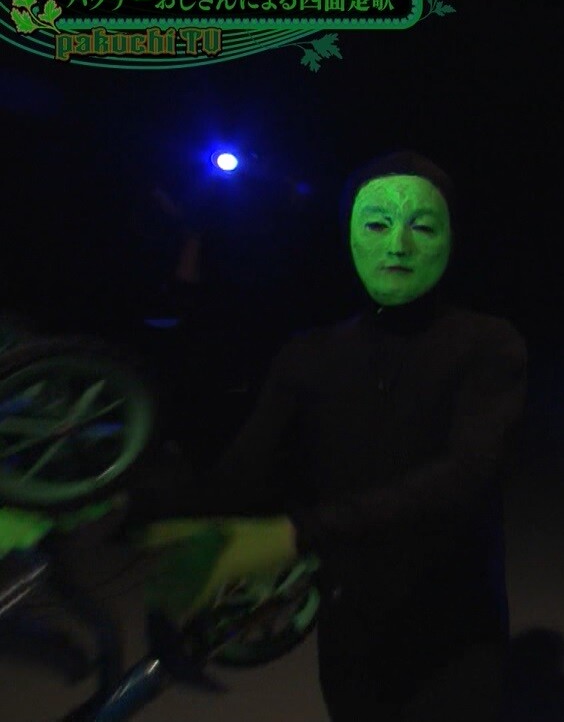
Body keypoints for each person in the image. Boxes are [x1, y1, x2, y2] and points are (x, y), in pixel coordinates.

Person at [127, 151, 527, 721]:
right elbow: (239, 476)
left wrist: (300, 532)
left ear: (450, 238)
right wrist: (126, 499)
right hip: (352, 636)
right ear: (349, 236)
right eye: (377, 224)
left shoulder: (488, 345)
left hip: (458, 637)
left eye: (422, 226)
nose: (398, 245)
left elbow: (466, 476)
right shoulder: (309, 356)